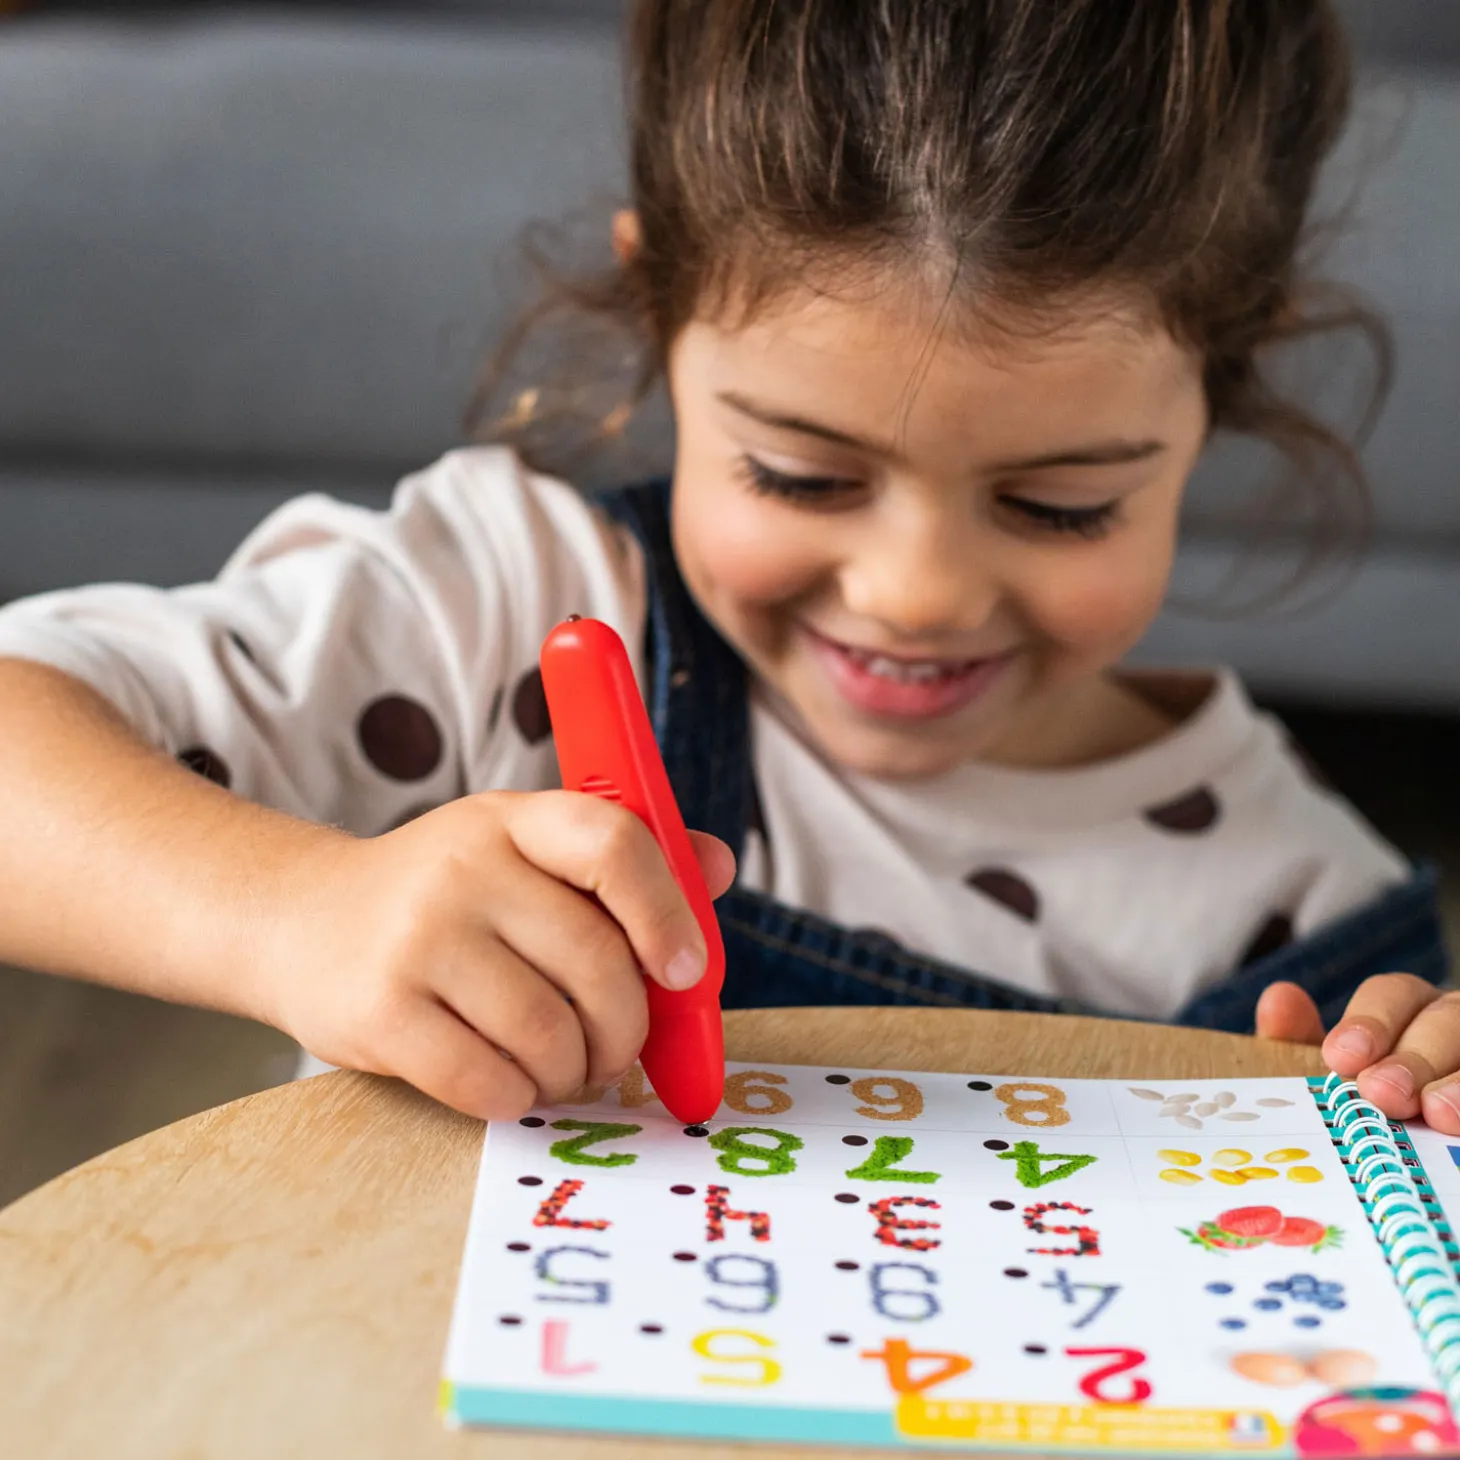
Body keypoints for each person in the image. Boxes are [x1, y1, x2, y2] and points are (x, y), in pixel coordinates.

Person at [0, 0, 1454, 1131]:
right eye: (803, 477)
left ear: (1224, 383)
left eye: (1058, 504)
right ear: (662, 306)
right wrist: (294, 913)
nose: (913, 593)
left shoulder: (1300, 910)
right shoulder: (494, 615)